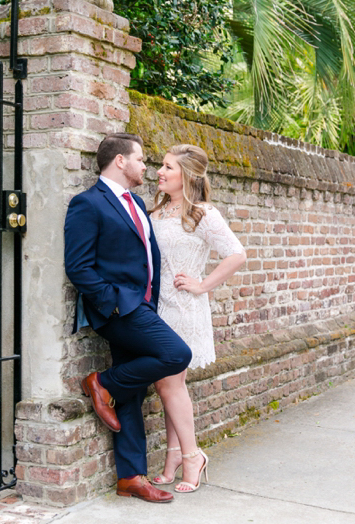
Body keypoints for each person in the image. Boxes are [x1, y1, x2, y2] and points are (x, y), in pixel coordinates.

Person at [64, 133, 192, 504]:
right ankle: (101, 382)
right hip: (120, 310)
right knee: (176, 355)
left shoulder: (135, 201)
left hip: (143, 306)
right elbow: (78, 266)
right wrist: (115, 304)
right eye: (140, 159)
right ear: (120, 161)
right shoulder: (88, 204)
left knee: (132, 393)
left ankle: (130, 477)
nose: (145, 166)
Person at [148, 144, 246, 493]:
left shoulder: (203, 214)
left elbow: (236, 254)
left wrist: (202, 284)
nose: (159, 171)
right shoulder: (157, 211)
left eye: (167, 167)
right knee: (167, 385)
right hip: (156, 309)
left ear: (187, 176)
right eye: (161, 165)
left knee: (170, 384)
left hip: (185, 309)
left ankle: (192, 456)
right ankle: (174, 454)